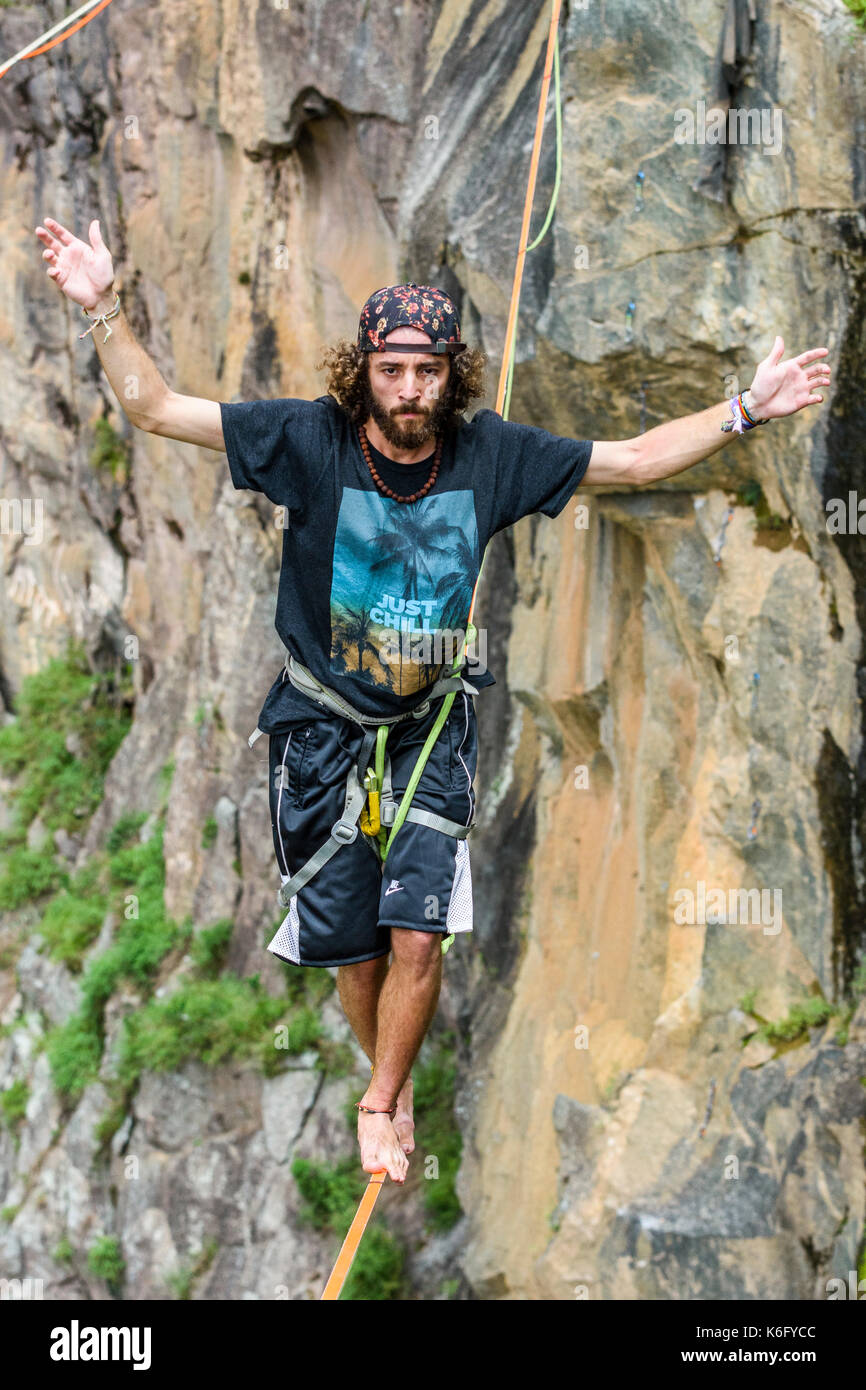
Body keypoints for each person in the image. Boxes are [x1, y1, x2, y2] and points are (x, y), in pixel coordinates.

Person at [34, 216, 831, 1183]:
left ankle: (380, 1102)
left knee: (418, 935)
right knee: (356, 959)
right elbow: (157, 408)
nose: (411, 390)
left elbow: (634, 460)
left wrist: (749, 406)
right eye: (392, 371)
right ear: (361, 370)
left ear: (453, 373)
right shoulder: (307, 440)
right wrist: (103, 307)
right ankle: (392, 1074)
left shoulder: (490, 455)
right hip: (318, 732)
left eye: (429, 371)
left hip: (426, 730)